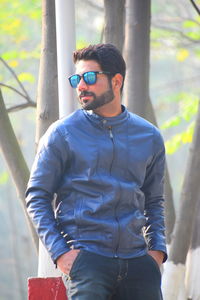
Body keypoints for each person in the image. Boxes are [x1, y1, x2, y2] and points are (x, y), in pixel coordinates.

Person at [26, 43, 167, 300]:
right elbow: (36, 196)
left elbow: (154, 201)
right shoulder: (63, 134)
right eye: (76, 78)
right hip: (88, 261)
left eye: (89, 77)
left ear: (116, 81)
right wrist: (60, 253)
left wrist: (156, 252)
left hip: (138, 263)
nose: (81, 85)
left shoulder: (149, 136)